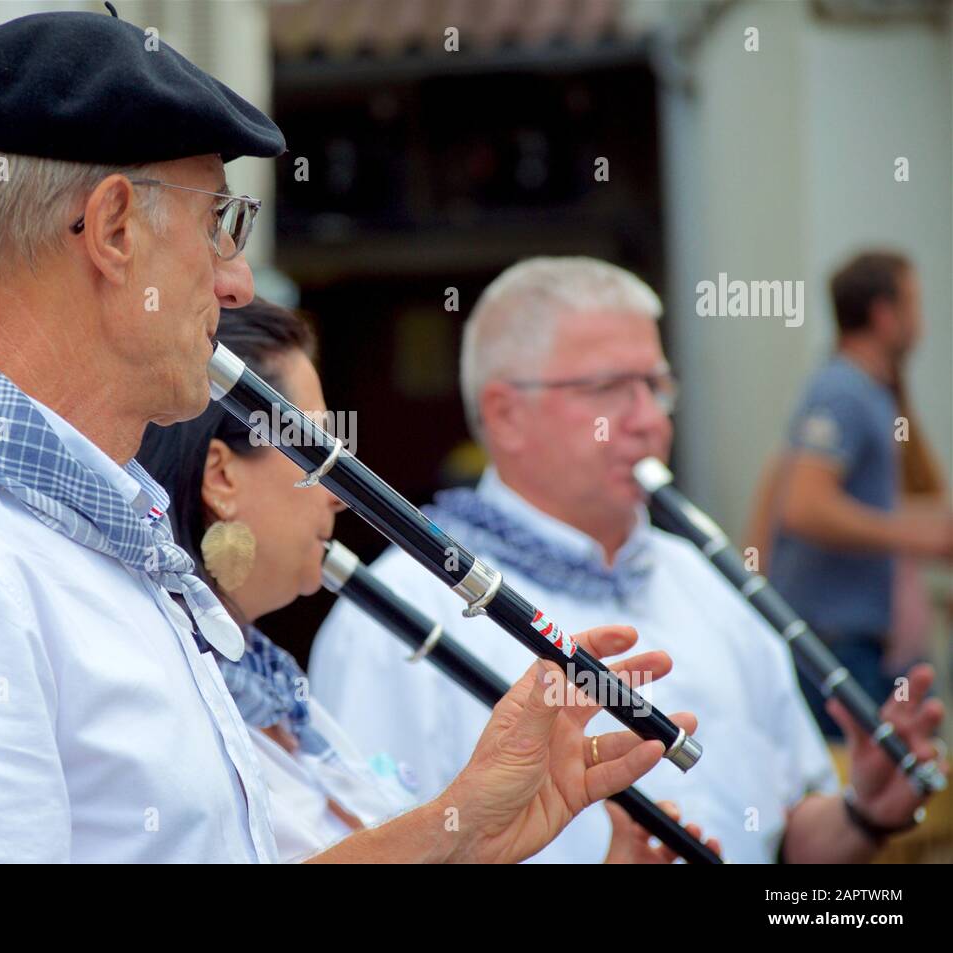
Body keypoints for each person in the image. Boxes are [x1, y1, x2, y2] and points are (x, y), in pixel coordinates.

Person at [0, 12, 679, 863]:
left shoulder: (71, 537)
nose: (239, 281)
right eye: (220, 222)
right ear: (114, 230)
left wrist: (458, 830)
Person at [311, 256, 946, 863]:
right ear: (505, 415)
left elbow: (786, 836)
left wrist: (864, 811)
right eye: (609, 388)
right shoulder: (396, 610)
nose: (649, 421)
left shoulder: (709, 578)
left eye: (657, 385)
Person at [137, 298, 715, 862]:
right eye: (314, 452)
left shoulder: (273, 689)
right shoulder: (157, 686)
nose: (339, 498)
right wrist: (456, 823)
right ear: (221, 477)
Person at [769, 251, 953, 737]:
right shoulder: (843, 390)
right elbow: (805, 506)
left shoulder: (865, 391)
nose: (923, 324)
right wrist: (919, 537)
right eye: (914, 304)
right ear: (884, 314)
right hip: (836, 642)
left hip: (852, 639)